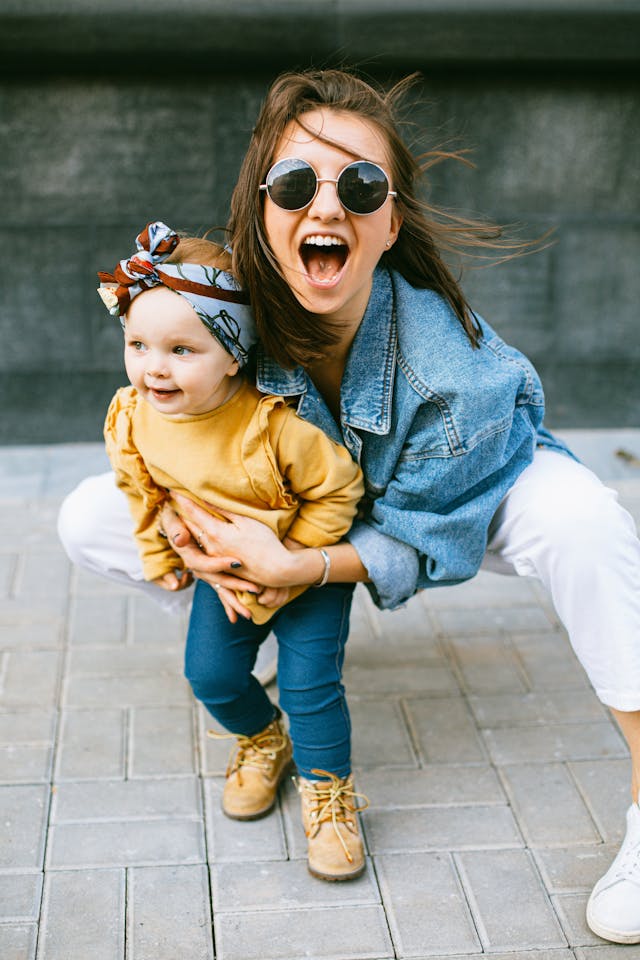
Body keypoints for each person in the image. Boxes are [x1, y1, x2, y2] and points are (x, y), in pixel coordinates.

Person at [57, 69, 640, 940]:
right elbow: (165, 415)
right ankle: (257, 653)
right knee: (88, 517)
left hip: (466, 494)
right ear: (262, 210)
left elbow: (423, 532)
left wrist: (303, 564)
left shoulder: (450, 374)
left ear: (390, 221)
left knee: (586, 522)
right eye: (297, 185)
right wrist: (185, 522)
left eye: (360, 186)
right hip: (301, 505)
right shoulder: (224, 311)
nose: (326, 206)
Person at [93, 220, 368, 881]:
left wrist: (295, 561)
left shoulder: (270, 424)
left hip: (306, 570)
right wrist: (161, 552)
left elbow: (339, 490)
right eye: (138, 344)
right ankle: (261, 739)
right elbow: (140, 486)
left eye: (182, 349)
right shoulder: (132, 415)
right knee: (210, 675)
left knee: (311, 687)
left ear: (234, 353)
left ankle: (330, 796)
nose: (153, 365)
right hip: (228, 573)